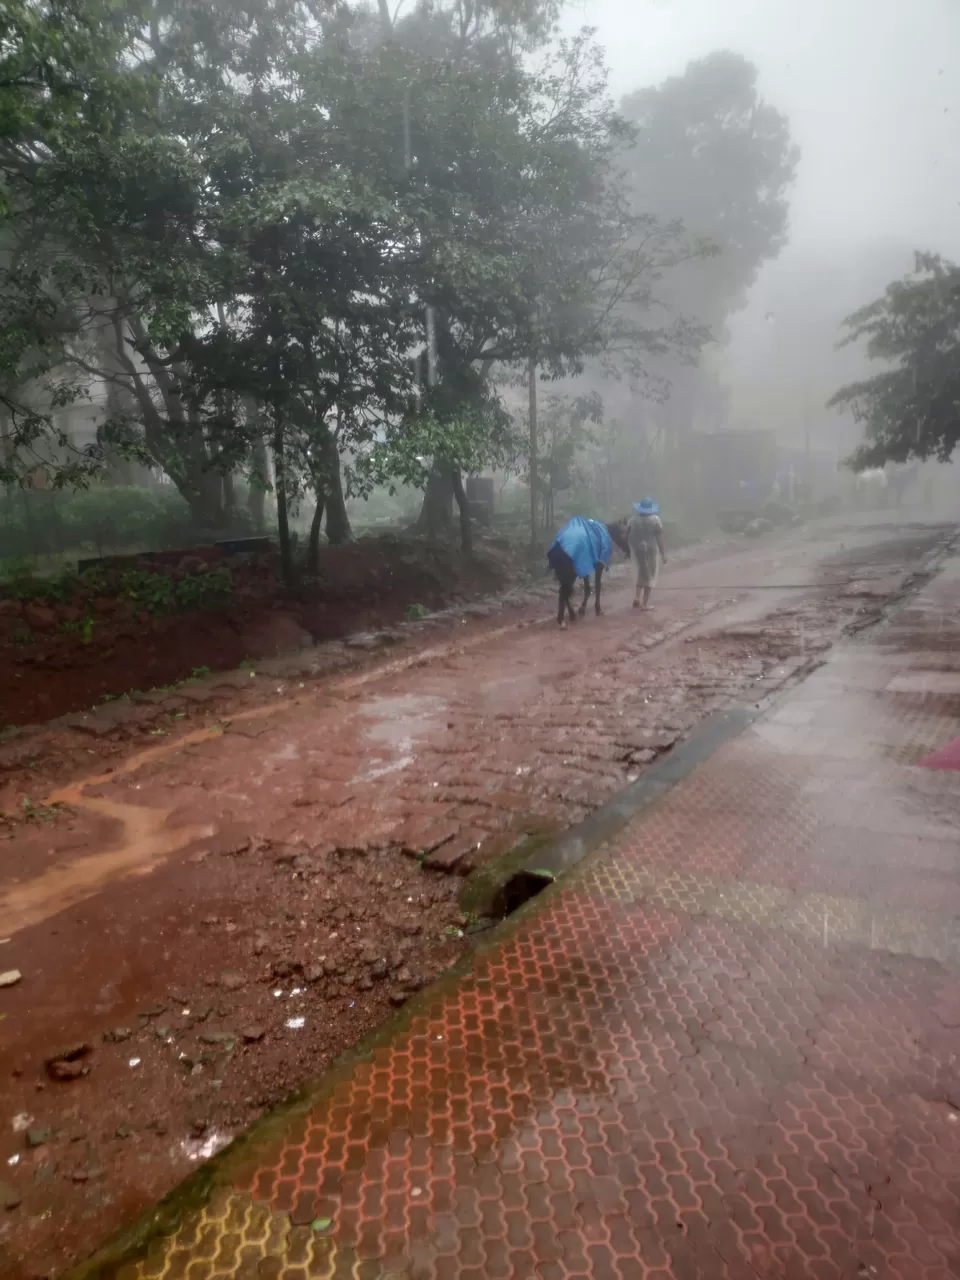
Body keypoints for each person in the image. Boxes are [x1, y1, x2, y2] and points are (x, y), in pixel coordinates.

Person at [628, 498, 666, 610]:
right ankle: (644, 604)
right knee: (650, 575)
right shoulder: (655, 520)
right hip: (651, 551)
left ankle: (636, 597)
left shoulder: (633, 520)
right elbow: (659, 538)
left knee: (641, 572)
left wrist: (631, 548)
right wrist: (663, 554)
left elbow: (627, 535)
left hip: (638, 550)